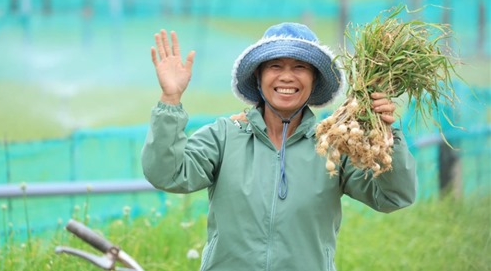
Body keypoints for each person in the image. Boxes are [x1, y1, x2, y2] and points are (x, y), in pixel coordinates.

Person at [142, 22, 417, 271]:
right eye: (275, 66)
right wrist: (170, 99)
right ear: (259, 78)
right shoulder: (224, 136)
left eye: (300, 67)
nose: (287, 77)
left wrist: (385, 134)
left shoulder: (334, 145)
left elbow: (393, 196)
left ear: (314, 80)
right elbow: (168, 174)